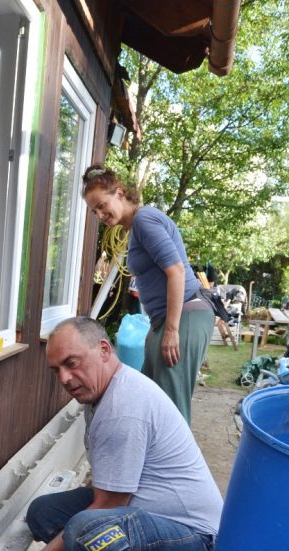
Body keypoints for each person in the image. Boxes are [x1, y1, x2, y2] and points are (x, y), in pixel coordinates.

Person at [0, 318, 222, 551]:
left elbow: (104, 510)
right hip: (155, 520)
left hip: (191, 536)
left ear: (103, 350)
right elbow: (110, 487)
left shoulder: (122, 409)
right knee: (44, 514)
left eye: (71, 363)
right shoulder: (105, 391)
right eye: (56, 370)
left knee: (86, 530)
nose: (64, 379)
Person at [81, 164, 214, 425]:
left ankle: (176, 466)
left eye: (101, 204)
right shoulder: (134, 229)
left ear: (119, 192)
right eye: (94, 210)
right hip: (169, 319)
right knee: (150, 402)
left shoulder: (144, 220)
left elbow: (175, 271)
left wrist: (172, 330)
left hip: (185, 314)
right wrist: (156, 329)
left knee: (169, 414)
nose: (100, 214)